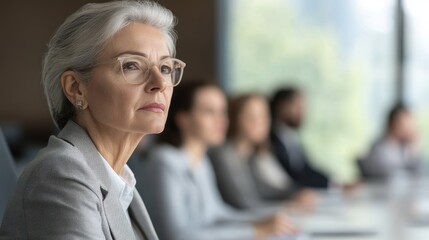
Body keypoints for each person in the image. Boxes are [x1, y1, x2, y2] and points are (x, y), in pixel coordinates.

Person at [0, 1, 186, 239]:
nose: (160, 83)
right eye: (132, 66)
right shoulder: (62, 173)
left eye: (166, 67)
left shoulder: (118, 179)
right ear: (76, 88)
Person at [139, 80, 298, 240]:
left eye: (223, 112)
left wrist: (263, 221)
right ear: (183, 118)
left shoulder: (202, 161)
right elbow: (176, 236)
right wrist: (254, 231)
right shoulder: (164, 161)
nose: (221, 120)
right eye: (209, 112)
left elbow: (217, 213)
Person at [210, 93, 317, 212]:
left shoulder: (250, 155)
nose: (262, 123)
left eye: (265, 116)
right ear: (235, 119)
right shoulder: (224, 155)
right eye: (253, 117)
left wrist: (295, 195)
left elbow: (263, 189)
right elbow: (242, 203)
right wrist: (287, 206)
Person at [270, 87, 330, 189]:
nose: (303, 112)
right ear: (282, 106)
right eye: (298, 106)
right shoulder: (269, 142)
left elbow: (306, 169)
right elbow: (291, 176)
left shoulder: (292, 138)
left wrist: (334, 184)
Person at [360, 104, 423, 179]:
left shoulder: (403, 148)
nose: (409, 129)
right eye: (405, 124)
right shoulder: (380, 149)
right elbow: (388, 176)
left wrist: (414, 151)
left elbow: (419, 175)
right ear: (393, 124)